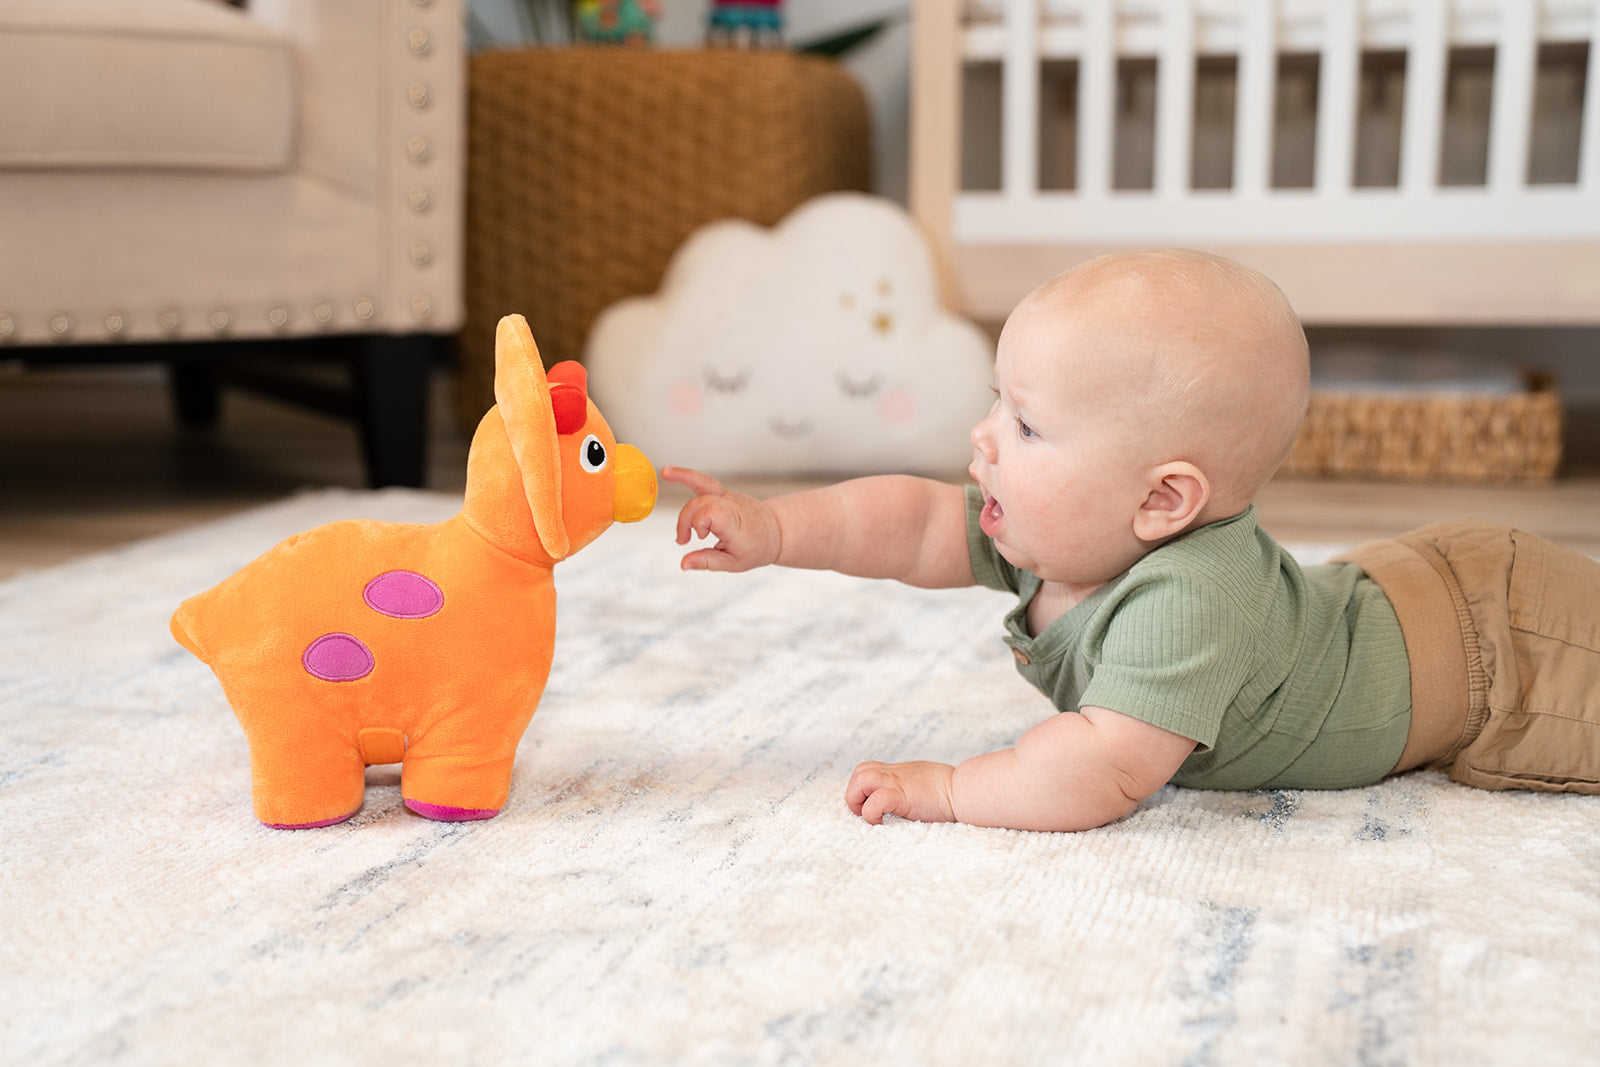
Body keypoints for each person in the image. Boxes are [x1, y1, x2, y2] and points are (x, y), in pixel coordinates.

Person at [663, 249, 1600, 832]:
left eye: (1026, 427)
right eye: (1000, 400)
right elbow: (910, 523)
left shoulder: (1187, 595)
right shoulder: (1061, 526)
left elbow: (1100, 769)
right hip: (1411, 588)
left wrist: (953, 789)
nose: (984, 437)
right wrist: (779, 526)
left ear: (1162, 501)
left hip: (1503, 656)